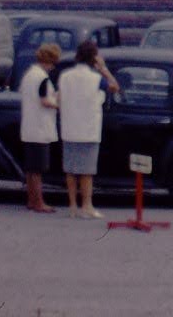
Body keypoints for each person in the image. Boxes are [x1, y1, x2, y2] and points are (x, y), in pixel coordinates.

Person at [58, 40, 119, 219]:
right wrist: (104, 68)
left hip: (69, 127)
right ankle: (87, 205)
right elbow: (115, 87)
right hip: (89, 128)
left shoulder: (65, 76)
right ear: (94, 58)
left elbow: (60, 97)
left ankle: (72, 206)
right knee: (87, 171)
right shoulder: (96, 78)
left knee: (70, 170)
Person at [19, 42, 61, 213]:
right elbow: (44, 101)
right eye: (53, 63)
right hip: (40, 127)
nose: (53, 67)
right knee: (38, 169)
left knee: (31, 168)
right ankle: (39, 203)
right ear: (49, 61)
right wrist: (59, 104)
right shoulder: (42, 77)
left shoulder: (29, 74)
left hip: (29, 126)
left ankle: (31, 200)